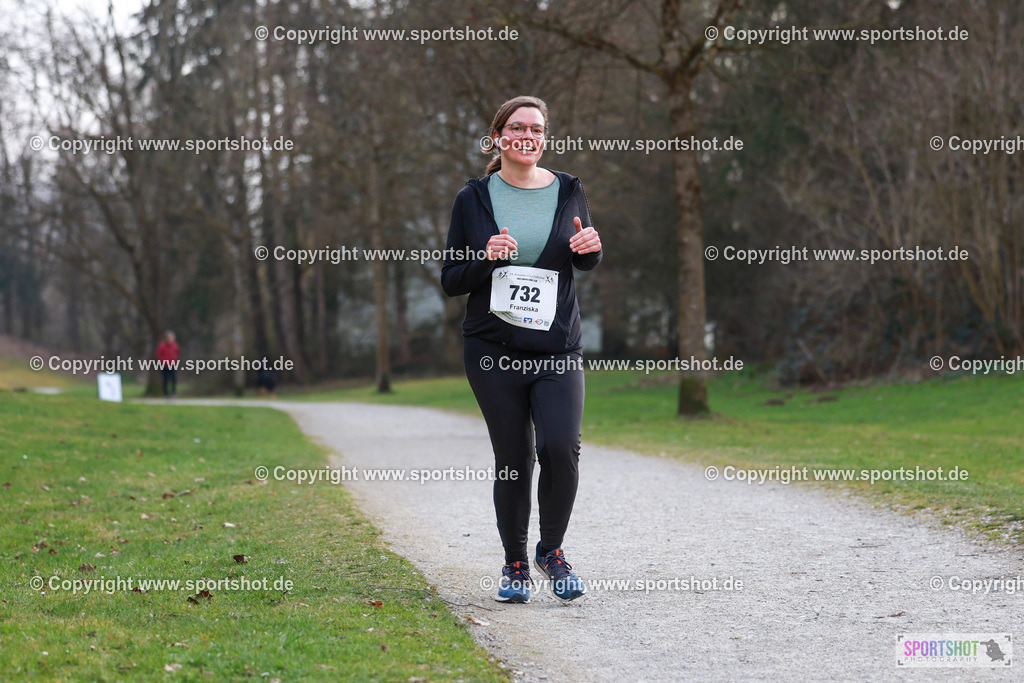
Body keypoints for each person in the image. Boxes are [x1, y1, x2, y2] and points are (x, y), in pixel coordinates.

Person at [441, 96, 603, 603]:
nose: (526, 136)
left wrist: (592, 250)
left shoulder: (569, 189)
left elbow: (584, 256)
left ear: (545, 137)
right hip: (493, 349)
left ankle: (551, 552)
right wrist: (484, 258)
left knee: (560, 447)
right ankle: (514, 564)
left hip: (556, 345)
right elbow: (451, 279)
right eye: (516, 128)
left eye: (536, 128)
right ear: (497, 138)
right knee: (513, 457)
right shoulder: (474, 198)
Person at [155, 331, 180, 398]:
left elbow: (177, 354)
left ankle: (173, 393)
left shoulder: (175, 345)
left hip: (173, 364)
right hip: (164, 365)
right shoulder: (162, 346)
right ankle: (166, 393)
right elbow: (159, 355)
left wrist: (175, 359)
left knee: (174, 379)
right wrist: (162, 361)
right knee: (165, 379)